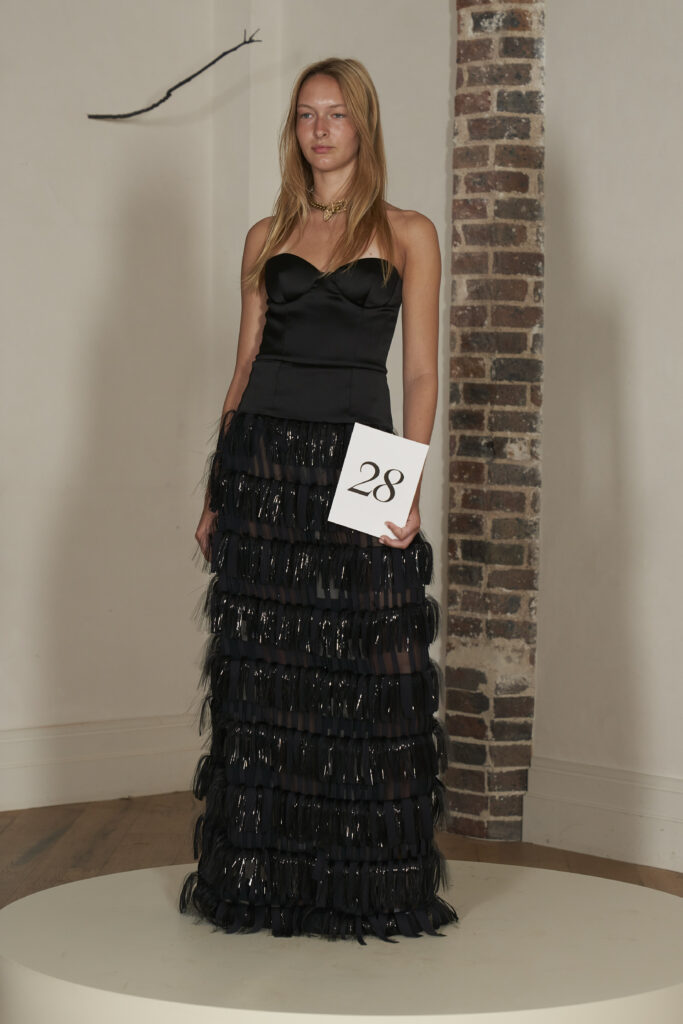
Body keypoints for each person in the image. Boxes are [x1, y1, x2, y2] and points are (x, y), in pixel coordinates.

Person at [179, 56, 459, 944]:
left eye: (335, 113)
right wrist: (217, 491)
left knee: (369, 667)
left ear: (362, 124)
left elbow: (421, 374)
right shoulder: (266, 235)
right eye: (306, 114)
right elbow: (243, 366)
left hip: (362, 455)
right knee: (270, 671)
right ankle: (272, 876)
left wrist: (406, 481)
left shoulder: (408, 232)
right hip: (265, 459)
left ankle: (360, 883)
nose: (320, 129)